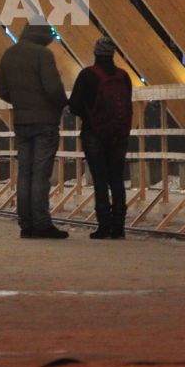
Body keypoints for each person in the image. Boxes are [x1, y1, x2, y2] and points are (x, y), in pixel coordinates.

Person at [0, 24, 69, 239]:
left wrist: (21, 102)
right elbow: (53, 88)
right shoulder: (42, 55)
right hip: (45, 122)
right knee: (40, 174)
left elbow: (1, 89)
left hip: (21, 122)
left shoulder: (9, 54)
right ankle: (42, 224)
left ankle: (26, 224)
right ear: (43, 35)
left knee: (25, 172)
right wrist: (62, 104)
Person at [68, 38, 133, 241]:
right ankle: (119, 228)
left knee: (100, 179)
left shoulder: (88, 75)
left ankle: (104, 226)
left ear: (96, 53)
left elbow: (74, 106)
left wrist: (89, 115)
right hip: (119, 135)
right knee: (117, 178)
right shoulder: (124, 77)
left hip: (94, 133)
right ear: (113, 54)